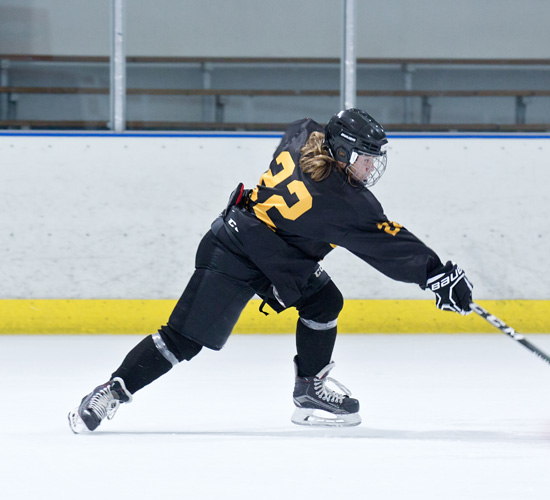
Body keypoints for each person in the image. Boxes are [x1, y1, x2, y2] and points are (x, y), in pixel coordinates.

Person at [67, 108, 474, 431]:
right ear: (345, 153)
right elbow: (389, 243)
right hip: (236, 251)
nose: (371, 169)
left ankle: (309, 388)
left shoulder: (302, 132)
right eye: (366, 159)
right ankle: (112, 391)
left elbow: (315, 150)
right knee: (182, 341)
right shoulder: (346, 204)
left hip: (276, 252)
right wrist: (436, 274)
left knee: (324, 302)